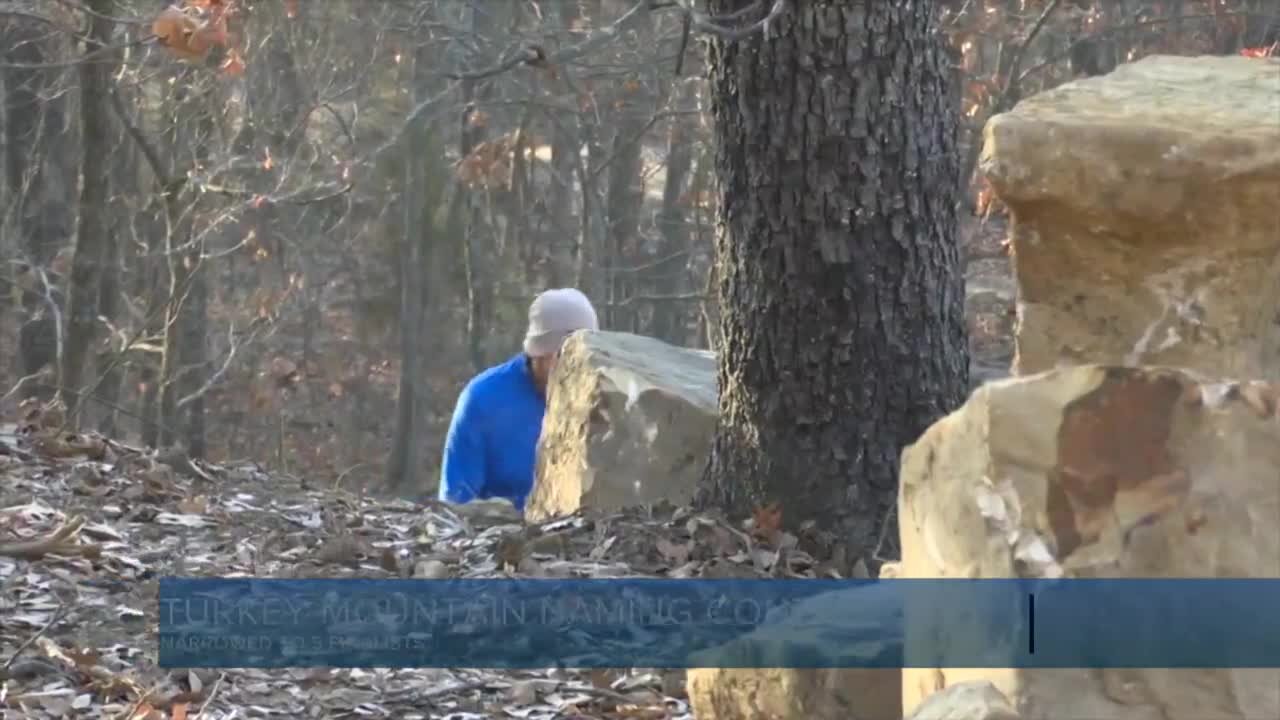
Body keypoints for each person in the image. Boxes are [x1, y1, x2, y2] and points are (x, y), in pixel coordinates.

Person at [438, 288, 599, 511]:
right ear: (538, 352)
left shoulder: (600, 400)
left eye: (585, 357)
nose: (576, 367)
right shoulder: (483, 400)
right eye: (565, 356)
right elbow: (456, 503)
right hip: (497, 539)